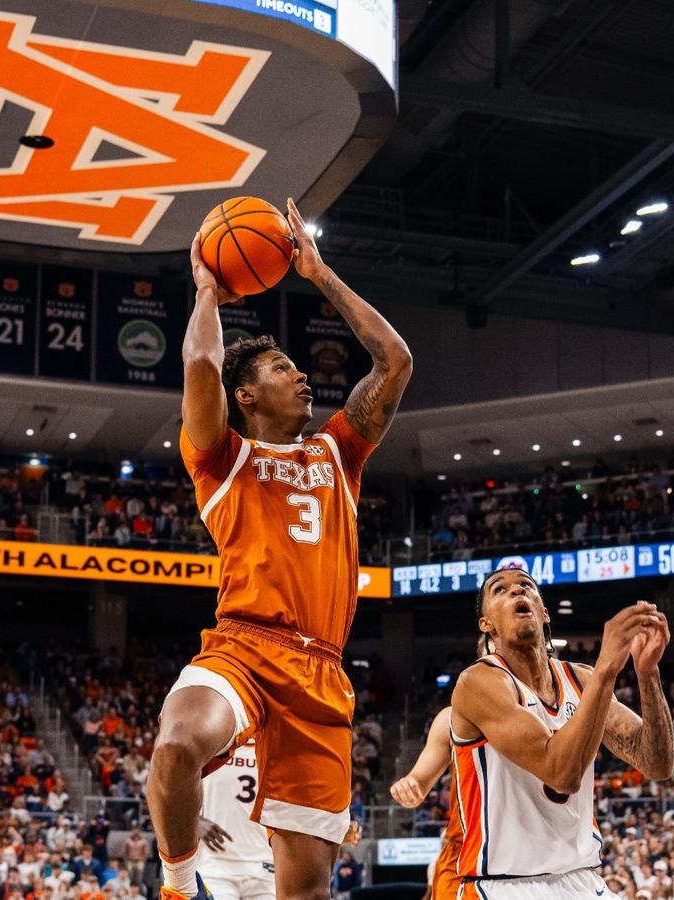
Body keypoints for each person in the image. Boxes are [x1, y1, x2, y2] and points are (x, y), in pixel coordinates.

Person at [149, 197, 413, 900]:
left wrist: (320, 274)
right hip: (243, 645)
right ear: (247, 394)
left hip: (321, 676)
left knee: (305, 893)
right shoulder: (219, 457)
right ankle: (177, 886)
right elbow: (200, 368)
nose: (302, 376)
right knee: (177, 745)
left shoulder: (340, 453)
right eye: (283, 369)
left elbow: (395, 362)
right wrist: (207, 292)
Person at [448, 567, 674, 898]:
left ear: (544, 612)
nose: (516, 591)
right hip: (506, 886)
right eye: (500, 590)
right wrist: (607, 670)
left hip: (582, 879)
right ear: (487, 624)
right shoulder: (479, 683)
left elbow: (657, 764)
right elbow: (561, 773)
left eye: (526, 586)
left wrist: (647, 673)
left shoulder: (580, 679)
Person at [389, 706, 458, 900]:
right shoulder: (451, 719)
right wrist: (412, 783)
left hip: (533, 854)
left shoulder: (540, 712)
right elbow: (419, 780)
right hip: (466, 858)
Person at [196, 738, 275, 900]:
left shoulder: (278, 748)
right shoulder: (210, 744)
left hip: (266, 864)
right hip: (215, 864)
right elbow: (168, 789)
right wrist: (192, 820)